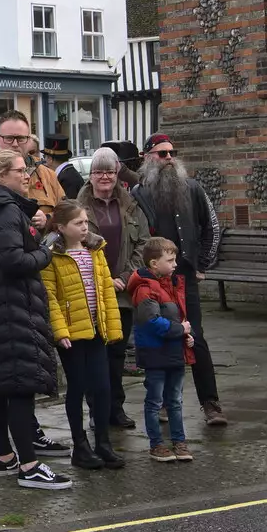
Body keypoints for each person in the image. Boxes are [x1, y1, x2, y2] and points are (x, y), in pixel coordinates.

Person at [0, 110, 69, 464]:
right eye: (9, 138)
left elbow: (67, 216)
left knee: (27, 362)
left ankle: (27, 434)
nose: (17, 144)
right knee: (0, 362)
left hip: (39, 276)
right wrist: (13, 228)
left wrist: (43, 220)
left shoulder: (46, 175)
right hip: (0, 279)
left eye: (22, 138)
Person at [132, 133, 226, 427]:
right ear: (148, 158)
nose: (169, 158)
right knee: (160, 338)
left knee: (194, 336)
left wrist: (203, 263)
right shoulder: (138, 193)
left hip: (184, 275)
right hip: (153, 279)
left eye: (172, 152)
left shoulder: (192, 188)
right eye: (162, 154)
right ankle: (160, 404)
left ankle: (210, 404)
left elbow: (211, 225)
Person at [40, 200, 124, 471]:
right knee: (77, 388)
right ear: (62, 227)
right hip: (72, 334)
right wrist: (60, 331)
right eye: (78, 223)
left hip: (96, 328)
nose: (84, 227)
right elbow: (49, 296)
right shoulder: (51, 255)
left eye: (86, 221)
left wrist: (112, 327)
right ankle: (81, 445)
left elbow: (106, 291)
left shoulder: (96, 249)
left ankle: (103, 442)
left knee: (102, 388)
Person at [77, 146, 149, 430]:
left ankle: (116, 409)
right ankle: (97, 411)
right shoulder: (77, 207)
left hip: (122, 293)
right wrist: (105, 279)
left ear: (117, 173)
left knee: (117, 354)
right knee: (95, 355)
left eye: (109, 171)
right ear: (90, 176)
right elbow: (75, 245)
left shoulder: (131, 204)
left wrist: (126, 275)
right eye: (98, 171)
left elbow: (143, 242)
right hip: (92, 292)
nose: (104, 176)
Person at [129, 238, 192, 462]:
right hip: (155, 353)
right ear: (154, 263)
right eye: (170, 260)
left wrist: (186, 335)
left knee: (174, 400)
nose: (175, 264)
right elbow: (152, 322)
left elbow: (175, 316)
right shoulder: (145, 289)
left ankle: (179, 442)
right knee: (155, 401)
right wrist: (180, 329)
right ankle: (156, 444)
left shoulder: (170, 284)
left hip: (173, 352)